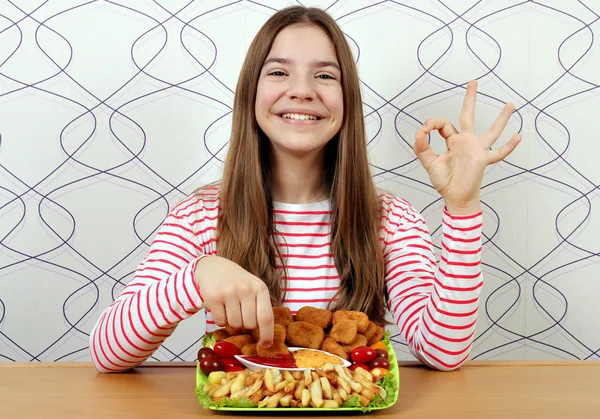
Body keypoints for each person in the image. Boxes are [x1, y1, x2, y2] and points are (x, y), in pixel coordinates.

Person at [89, 6, 520, 373]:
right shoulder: (201, 216)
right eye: (278, 71)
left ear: (346, 98)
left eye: (325, 76)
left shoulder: (390, 218)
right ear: (251, 93)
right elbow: (108, 353)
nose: (301, 90)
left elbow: (444, 351)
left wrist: (462, 206)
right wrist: (195, 277)